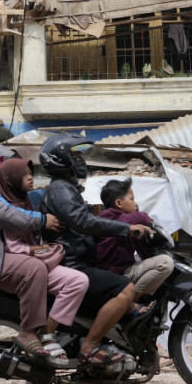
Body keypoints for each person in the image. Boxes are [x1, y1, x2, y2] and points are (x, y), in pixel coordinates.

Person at [0, 141, 84, 366]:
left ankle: (50, 334)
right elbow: (2, 214)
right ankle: (28, 333)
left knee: (76, 280)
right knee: (33, 269)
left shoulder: (0, 189)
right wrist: (41, 220)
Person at [39, 134, 153, 367]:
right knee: (125, 289)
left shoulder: (68, 189)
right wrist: (126, 228)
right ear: (60, 160)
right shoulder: (61, 188)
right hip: (72, 265)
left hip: (80, 262)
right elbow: (83, 222)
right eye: (75, 155)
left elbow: (85, 223)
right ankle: (90, 347)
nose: (80, 160)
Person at [0, 158, 89, 367]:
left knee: (78, 281)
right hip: (21, 266)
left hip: (36, 261)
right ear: (11, 179)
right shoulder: (4, 207)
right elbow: (8, 245)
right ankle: (34, 334)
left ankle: (48, 333)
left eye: (31, 173)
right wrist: (32, 249)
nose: (30, 177)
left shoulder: (27, 201)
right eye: (24, 174)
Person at [96, 178, 174, 313]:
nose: (135, 203)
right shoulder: (107, 217)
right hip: (115, 273)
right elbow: (135, 218)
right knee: (165, 263)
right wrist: (144, 217)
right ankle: (126, 301)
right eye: (132, 199)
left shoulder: (127, 224)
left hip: (124, 271)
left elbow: (143, 250)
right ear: (119, 203)